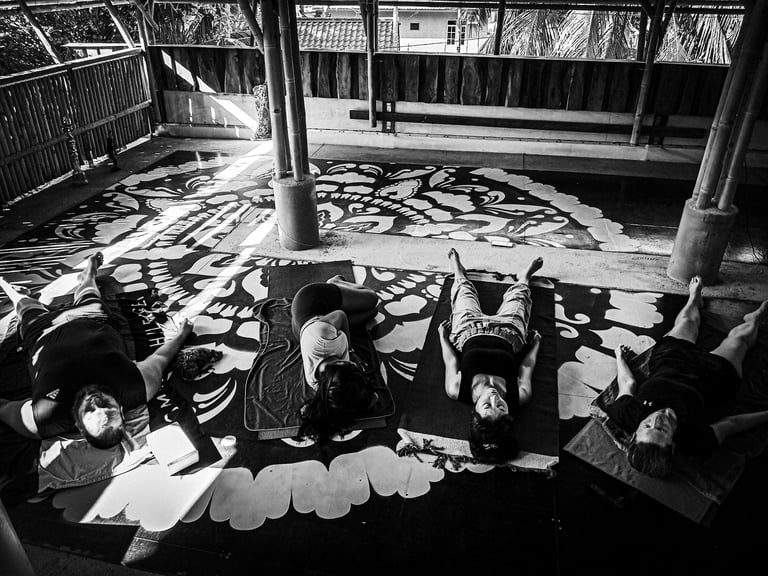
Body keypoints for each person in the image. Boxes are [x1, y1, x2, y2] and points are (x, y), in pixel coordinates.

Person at [0, 252, 195, 449]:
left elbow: (4, 407)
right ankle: (88, 274)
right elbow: (161, 357)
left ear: (79, 425)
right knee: (88, 290)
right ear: (121, 411)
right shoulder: (138, 386)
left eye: (90, 410)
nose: (94, 401)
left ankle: (16, 293)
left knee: (25, 306)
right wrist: (182, 335)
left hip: (42, 332)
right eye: (106, 405)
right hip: (92, 317)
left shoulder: (43, 418)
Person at [606, 275, 768, 478]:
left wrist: (619, 358)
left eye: (647, 425)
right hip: (713, 376)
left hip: (671, 361)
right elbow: (732, 424)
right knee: (740, 339)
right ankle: (755, 319)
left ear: (634, 435)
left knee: (686, 321)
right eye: (662, 430)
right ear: (672, 445)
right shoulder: (695, 440)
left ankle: (694, 298)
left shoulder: (626, 414)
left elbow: (627, 383)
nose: (657, 419)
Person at [438, 248, 543, 464]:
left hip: (468, 331)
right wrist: (536, 345)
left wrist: (442, 337)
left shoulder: (456, 389)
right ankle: (524, 276)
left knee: (464, 294)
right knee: (520, 298)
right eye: (501, 407)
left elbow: (450, 361)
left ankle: (458, 271)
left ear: (475, 412)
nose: (495, 398)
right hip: (508, 333)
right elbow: (527, 366)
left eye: (487, 405)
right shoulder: (520, 396)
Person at [291, 274, 380, 440]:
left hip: (311, 301)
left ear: (340, 363)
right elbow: (372, 398)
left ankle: (335, 282)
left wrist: (350, 350)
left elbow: (340, 315)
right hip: (314, 324)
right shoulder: (328, 386)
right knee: (372, 312)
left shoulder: (324, 339)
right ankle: (344, 293)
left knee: (372, 299)